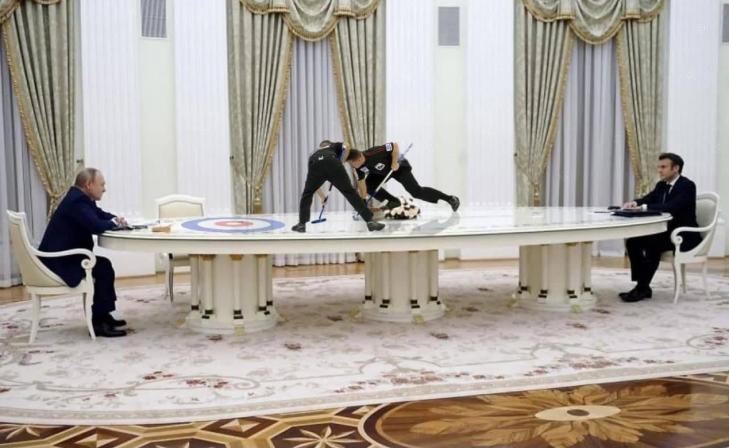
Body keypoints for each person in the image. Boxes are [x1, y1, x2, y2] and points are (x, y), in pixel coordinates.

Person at [39, 168, 129, 337]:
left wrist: (116, 218)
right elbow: (96, 225)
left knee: (103, 266)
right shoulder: (77, 202)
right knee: (103, 268)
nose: (104, 189)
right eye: (101, 184)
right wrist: (115, 224)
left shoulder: (81, 198)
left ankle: (103, 315)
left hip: (66, 256)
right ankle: (99, 323)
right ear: (89, 185)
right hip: (59, 261)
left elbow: (99, 214)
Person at [620, 153, 700, 302]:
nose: (659, 170)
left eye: (663, 167)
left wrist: (643, 207)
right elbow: (649, 198)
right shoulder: (661, 185)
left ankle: (641, 288)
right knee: (633, 242)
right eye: (659, 167)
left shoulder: (687, 185)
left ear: (675, 168)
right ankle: (642, 285)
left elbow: (672, 207)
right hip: (666, 232)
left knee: (653, 245)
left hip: (683, 235)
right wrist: (635, 203)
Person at [292, 140, 385, 233]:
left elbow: (313, 186)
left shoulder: (314, 154)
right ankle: (370, 221)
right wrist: (341, 161)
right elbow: (347, 145)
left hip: (315, 163)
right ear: (329, 144)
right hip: (333, 162)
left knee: (307, 193)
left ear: (321, 147)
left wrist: (322, 197)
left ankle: (301, 224)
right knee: (350, 192)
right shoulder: (334, 145)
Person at [345, 142, 460, 211]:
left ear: (358, 159)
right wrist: (363, 202)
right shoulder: (358, 168)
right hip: (382, 173)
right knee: (369, 186)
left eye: (351, 163)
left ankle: (450, 198)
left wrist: (394, 162)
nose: (351, 165)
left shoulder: (373, 153)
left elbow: (394, 146)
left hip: (398, 167)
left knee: (416, 192)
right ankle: (393, 202)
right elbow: (361, 184)